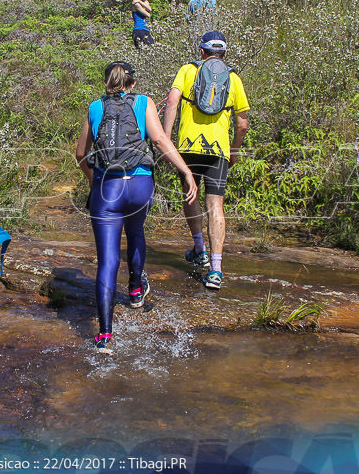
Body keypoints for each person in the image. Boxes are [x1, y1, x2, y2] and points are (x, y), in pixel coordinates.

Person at [75, 61, 198, 353]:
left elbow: (81, 154)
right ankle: (134, 290)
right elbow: (159, 139)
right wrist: (186, 172)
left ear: (106, 83)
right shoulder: (143, 103)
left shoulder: (95, 107)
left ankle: (105, 336)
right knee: (136, 232)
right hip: (140, 186)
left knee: (107, 261)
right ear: (133, 83)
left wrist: (96, 181)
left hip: (108, 189)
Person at [162, 31, 249, 291]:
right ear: (224, 53)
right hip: (218, 150)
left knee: (191, 195)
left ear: (201, 51)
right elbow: (242, 124)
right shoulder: (233, 79)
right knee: (216, 206)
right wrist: (233, 150)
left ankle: (199, 248)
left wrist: (167, 139)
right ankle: (216, 269)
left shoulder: (187, 71)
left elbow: (172, 100)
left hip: (187, 146)